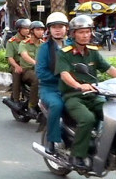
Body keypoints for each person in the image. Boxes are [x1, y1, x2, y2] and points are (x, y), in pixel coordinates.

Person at [56, 15, 116, 170]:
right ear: (73, 34)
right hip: (73, 96)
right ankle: (76, 156)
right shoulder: (64, 53)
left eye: (88, 32)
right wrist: (78, 85)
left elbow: (109, 68)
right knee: (87, 119)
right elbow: (64, 75)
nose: (85, 35)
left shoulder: (93, 52)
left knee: (113, 114)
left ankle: (105, 148)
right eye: (81, 32)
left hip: (94, 95)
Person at [35, 12, 69, 154]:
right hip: (50, 88)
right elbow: (40, 72)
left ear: (66, 28)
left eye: (61, 26)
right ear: (49, 29)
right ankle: (52, 141)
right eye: (54, 27)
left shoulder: (73, 46)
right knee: (56, 105)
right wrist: (61, 77)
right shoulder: (44, 49)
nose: (58, 29)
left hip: (71, 88)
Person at [18, 20, 45, 118]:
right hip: (27, 70)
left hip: (41, 70)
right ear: (32, 31)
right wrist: (35, 63)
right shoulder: (24, 43)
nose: (41, 32)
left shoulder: (43, 44)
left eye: (42, 29)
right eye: (38, 29)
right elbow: (24, 55)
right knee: (37, 79)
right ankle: (31, 106)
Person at [5, 18, 31, 102]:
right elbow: (10, 57)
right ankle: (16, 99)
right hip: (16, 64)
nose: (28, 31)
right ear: (19, 29)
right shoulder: (11, 41)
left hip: (28, 64)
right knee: (17, 74)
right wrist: (16, 66)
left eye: (29, 28)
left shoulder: (30, 40)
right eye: (25, 28)